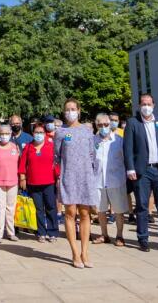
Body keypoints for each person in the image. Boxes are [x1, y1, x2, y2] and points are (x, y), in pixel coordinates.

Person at [123, 94, 158, 252]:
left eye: (148, 104)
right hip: (143, 171)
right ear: (139, 106)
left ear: (153, 105)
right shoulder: (133, 123)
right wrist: (130, 168)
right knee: (142, 206)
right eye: (143, 104)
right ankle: (143, 238)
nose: (146, 107)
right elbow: (127, 148)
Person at [55, 99, 99, 268]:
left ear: (79, 111)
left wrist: (91, 174)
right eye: (67, 109)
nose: (70, 112)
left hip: (85, 176)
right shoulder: (60, 132)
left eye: (73, 109)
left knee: (85, 213)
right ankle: (75, 253)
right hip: (68, 176)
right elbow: (57, 156)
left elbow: (92, 154)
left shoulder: (87, 131)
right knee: (70, 213)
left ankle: (85, 252)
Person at [19, 122, 59, 243]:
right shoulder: (28, 147)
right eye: (36, 132)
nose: (39, 134)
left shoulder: (51, 146)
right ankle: (41, 232)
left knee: (51, 207)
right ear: (33, 133)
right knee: (38, 209)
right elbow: (22, 164)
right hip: (33, 183)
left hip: (49, 182)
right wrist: (22, 178)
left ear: (45, 133)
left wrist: (58, 178)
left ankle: (52, 232)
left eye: (41, 132)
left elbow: (56, 163)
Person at [93, 112, 127, 246]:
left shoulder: (119, 140)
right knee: (101, 210)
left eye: (106, 124)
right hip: (98, 180)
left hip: (116, 180)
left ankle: (119, 235)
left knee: (118, 210)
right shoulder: (93, 141)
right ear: (96, 125)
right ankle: (104, 234)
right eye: (100, 124)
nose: (103, 127)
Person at [0, 123, 20, 243]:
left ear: (10, 134)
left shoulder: (14, 146)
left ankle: (11, 232)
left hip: (12, 181)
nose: (4, 136)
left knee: (10, 208)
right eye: (2, 133)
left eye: (7, 133)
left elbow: (19, 162)